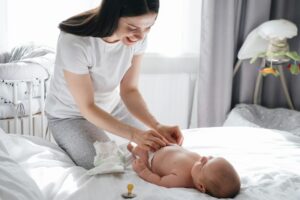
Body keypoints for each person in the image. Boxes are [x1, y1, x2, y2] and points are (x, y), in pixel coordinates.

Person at [45, 0, 183, 170]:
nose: (141, 36)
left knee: (159, 148)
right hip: (70, 115)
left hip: (111, 106)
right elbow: (87, 107)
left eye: (148, 27)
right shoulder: (75, 42)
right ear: (112, 16)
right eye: (133, 28)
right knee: (107, 165)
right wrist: (134, 134)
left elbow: (129, 90)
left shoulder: (137, 39)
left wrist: (157, 126)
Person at [128, 144, 241, 198]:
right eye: (210, 157)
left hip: (153, 159)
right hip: (164, 146)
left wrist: (143, 171)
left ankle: (137, 153)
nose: (203, 158)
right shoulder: (198, 161)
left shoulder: (182, 179)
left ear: (201, 186)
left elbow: (159, 181)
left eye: (203, 164)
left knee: (140, 151)